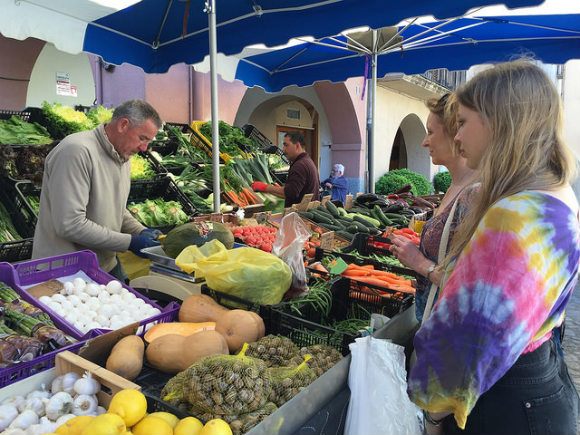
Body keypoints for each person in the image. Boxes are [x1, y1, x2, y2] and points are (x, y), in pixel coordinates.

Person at [408, 60, 579, 435]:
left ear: (500, 123)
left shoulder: (512, 216)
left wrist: (435, 415)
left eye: (464, 122)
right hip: (543, 381)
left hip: (501, 404)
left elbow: (467, 340)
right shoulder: (555, 192)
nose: (457, 137)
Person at [32, 100, 163, 281]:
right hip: (65, 272)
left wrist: (139, 231)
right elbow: (70, 225)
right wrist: (129, 242)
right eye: (142, 138)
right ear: (123, 125)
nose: (144, 148)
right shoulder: (76, 151)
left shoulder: (122, 155)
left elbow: (114, 207)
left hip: (104, 264)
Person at [389, 93, 478, 322]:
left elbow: (474, 287)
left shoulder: (474, 195)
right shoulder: (455, 186)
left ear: (454, 134)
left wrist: (419, 262)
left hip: (450, 329)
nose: (424, 142)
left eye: (430, 132)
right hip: (435, 320)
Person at [251, 132, 320, 207]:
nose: (283, 150)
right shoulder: (307, 161)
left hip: (299, 215)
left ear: (297, 146)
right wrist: (277, 190)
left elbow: (290, 192)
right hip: (306, 213)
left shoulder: (300, 166)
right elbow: (294, 194)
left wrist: (265, 187)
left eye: (286, 145)